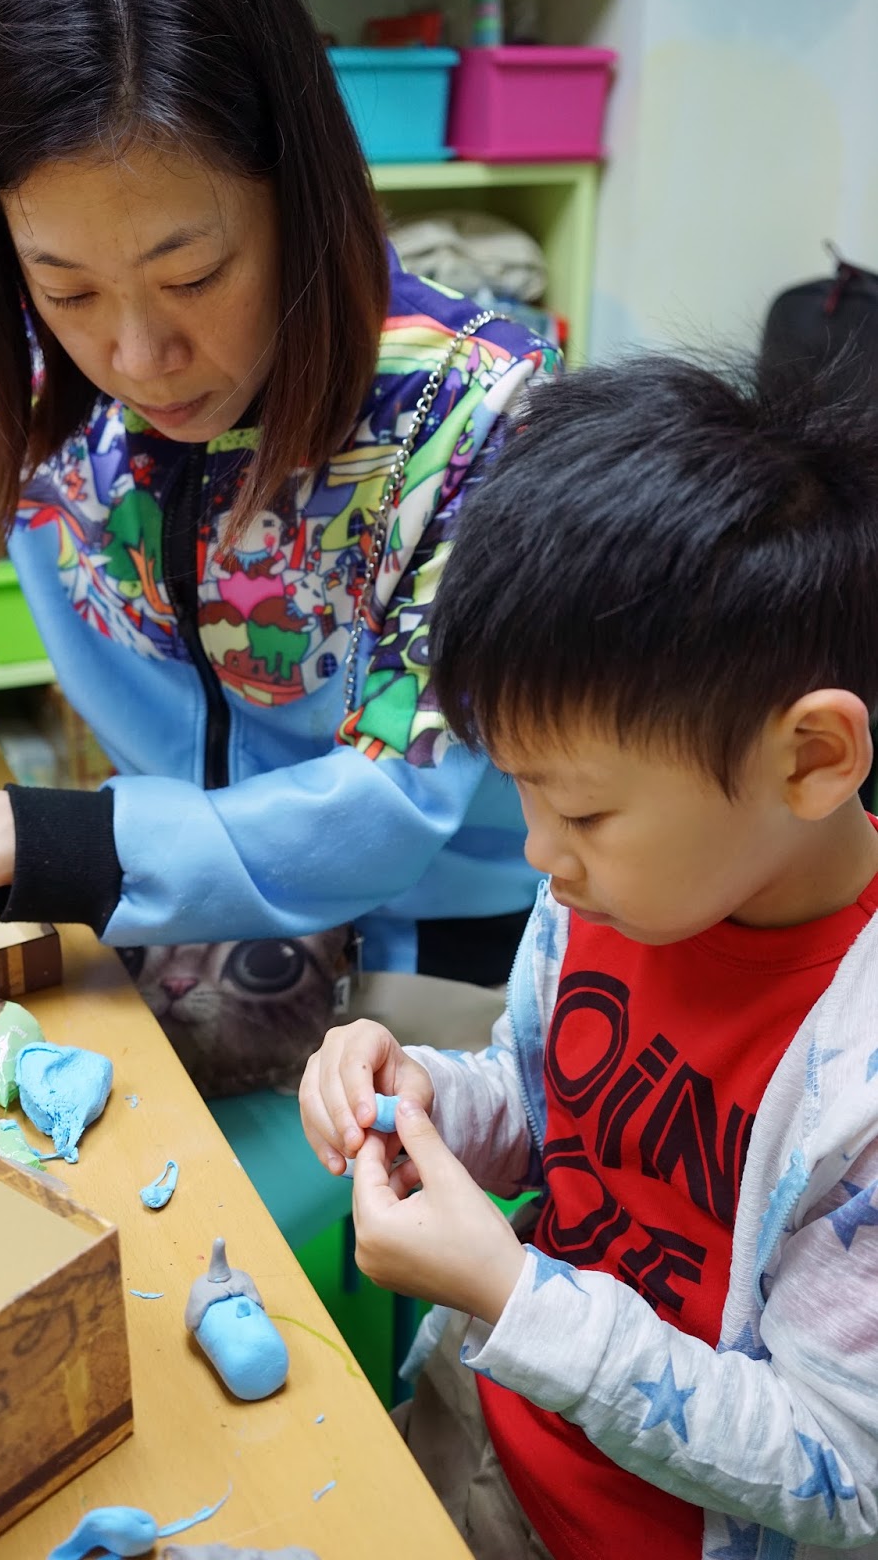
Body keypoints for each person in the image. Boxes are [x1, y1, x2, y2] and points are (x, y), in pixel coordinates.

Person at [0, 0, 560, 1089]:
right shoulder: (26, 367)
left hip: (427, 939)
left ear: (299, 193)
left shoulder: (473, 415)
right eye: (67, 287)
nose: (137, 358)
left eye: (195, 275)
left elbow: (384, 804)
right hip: (163, 885)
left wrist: (5, 835)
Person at [300, 355, 878, 1560]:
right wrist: (425, 1096)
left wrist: (513, 1295)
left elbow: (842, 1470)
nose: (536, 851)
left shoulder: (857, 1083)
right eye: (522, 790)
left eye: (582, 810)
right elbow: (549, 1104)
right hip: (487, 1421)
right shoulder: (618, 892)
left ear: (811, 758)